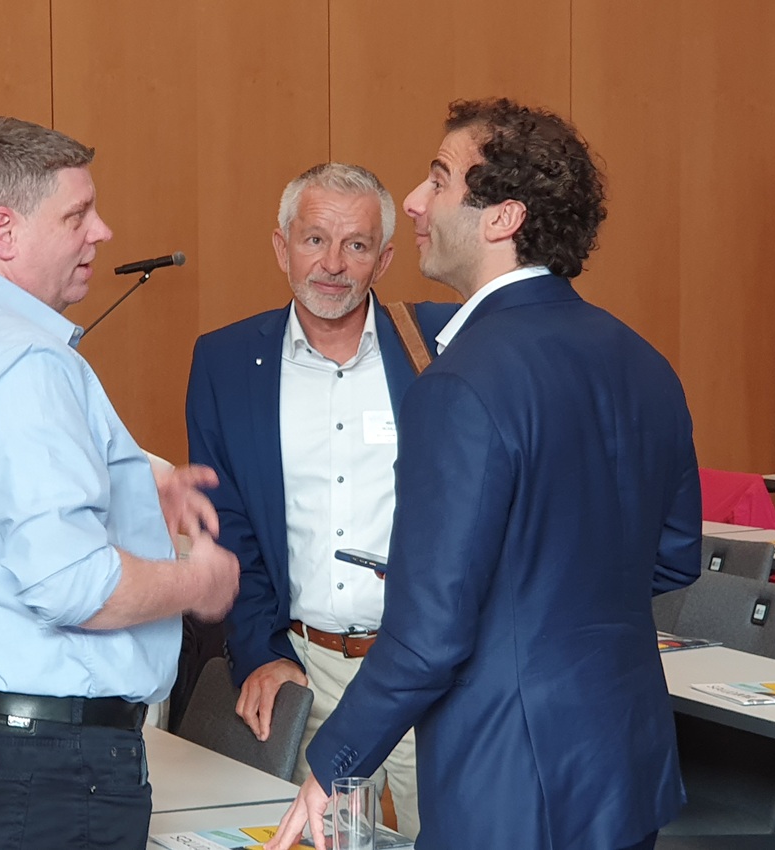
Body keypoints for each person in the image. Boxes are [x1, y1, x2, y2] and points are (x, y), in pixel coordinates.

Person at [266, 98, 702, 850]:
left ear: (502, 218)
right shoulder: (644, 361)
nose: (414, 201)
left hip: (511, 779)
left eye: (439, 179)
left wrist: (334, 763)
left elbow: (431, 636)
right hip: (625, 766)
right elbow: (673, 555)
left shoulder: (459, 383)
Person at [0, 116, 240, 850]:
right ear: (3, 232)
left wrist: (133, 488)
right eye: (77, 215)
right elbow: (74, 586)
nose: (102, 232)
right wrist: (198, 583)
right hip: (50, 768)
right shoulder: (23, 362)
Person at [186, 162, 456, 836]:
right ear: (282, 247)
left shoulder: (440, 346)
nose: (332, 264)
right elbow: (228, 527)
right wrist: (261, 652)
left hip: (429, 672)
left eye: (356, 245)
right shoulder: (224, 363)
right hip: (309, 671)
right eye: (314, 240)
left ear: (383, 260)